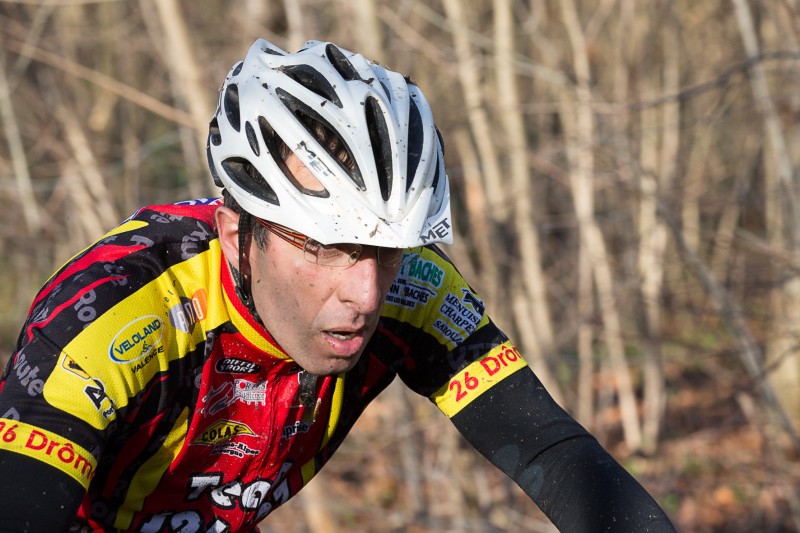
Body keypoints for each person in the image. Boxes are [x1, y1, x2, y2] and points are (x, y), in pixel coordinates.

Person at [0, 38, 675, 532]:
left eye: (386, 251)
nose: (366, 293)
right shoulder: (113, 311)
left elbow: (553, 452)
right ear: (238, 235)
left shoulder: (414, 289)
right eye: (325, 248)